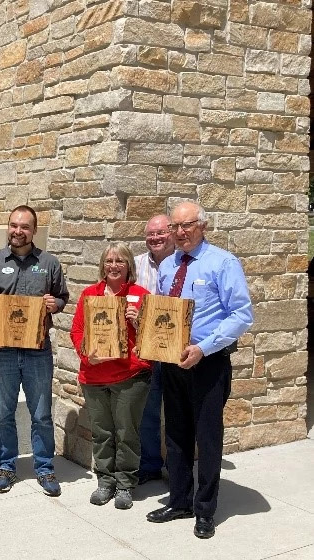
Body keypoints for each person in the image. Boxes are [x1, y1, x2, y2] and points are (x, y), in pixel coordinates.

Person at [146, 202, 253, 539]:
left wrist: (203, 348)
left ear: (203, 226)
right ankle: (179, 500)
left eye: (187, 225)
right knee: (176, 436)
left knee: (207, 440)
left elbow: (242, 315)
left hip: (207, 364)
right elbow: (163, 309)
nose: (180, 232)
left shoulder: (223, 263)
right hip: (172, 363)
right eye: (175, 226)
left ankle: (205, 510)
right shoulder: (168, 265)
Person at [0, 205, 68, 497]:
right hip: (2, 352)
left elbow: (62, 297)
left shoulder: (49, 263)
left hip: (37, 351)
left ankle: (44, 468)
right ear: (8, 226)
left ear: (34, 231)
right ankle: (7, 466)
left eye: (25, 227)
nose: (18, 231)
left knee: (41, 413)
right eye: (13, 225)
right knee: (3, 414)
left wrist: (55, 304)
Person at [70, 242, 151, 510]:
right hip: (94, 376)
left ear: (129, 266)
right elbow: (77, 331)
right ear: (102, 265)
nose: (114, 266)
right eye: (109, 261)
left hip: (129, 376)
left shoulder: (140, 295)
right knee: (102, 432)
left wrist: (138, 321)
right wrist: (86, 355)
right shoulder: (89, 294)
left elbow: (154, 339)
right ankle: (105, 481)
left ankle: (126, 484)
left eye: (120, 261)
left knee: (127, 432)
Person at [134, 214, 175, 485]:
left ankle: (176, 468)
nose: (155, 238)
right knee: (148, 412)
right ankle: (149, 465)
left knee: (176, 411)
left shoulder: (184, 263)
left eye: (161, 232)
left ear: (171, 232)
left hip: (176, 351)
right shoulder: (136, 264)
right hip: (146, 350)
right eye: (151, 233)